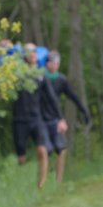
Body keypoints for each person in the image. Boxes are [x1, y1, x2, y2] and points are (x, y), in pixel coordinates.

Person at [12, 43, 66, 188]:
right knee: (21, 157)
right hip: (19, 120)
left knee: (42, 150)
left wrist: (60, 118)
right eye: (29, 52)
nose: (33, 54)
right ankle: (21, 183)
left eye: (34, 51)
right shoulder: (17, 73)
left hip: (37, 119)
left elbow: (52, 98)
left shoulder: (41, 75)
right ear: (24, 55)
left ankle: (40, 186)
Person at [42, 50, 90, 182]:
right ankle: (43, 181)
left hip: (56, 118)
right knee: (45, 150)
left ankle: (58, 181)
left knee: (61, 149)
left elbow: (72, 96)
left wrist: (83, 110)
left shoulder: (61, 79)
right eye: (51, 62)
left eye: (56, 62)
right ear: (47, 63)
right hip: (41, 119)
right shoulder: (40, 78)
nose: (54, 65)